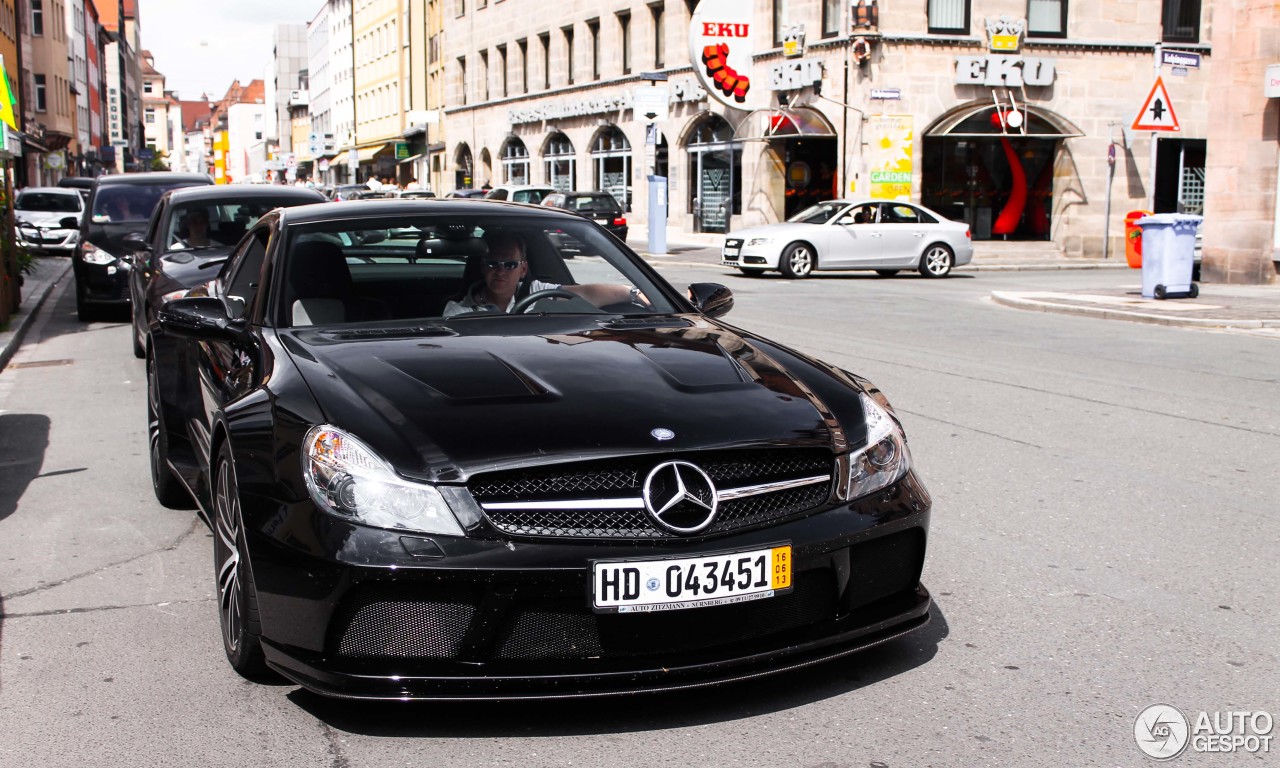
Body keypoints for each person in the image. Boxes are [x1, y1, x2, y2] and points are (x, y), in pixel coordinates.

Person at [442, 231, 646, 317]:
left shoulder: (536, 291)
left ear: (523, 269)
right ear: (482, 267)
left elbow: (587, 293)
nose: (501, 271)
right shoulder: (458, 312)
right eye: (493, 263)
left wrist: (634, 293)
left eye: (510, 264)